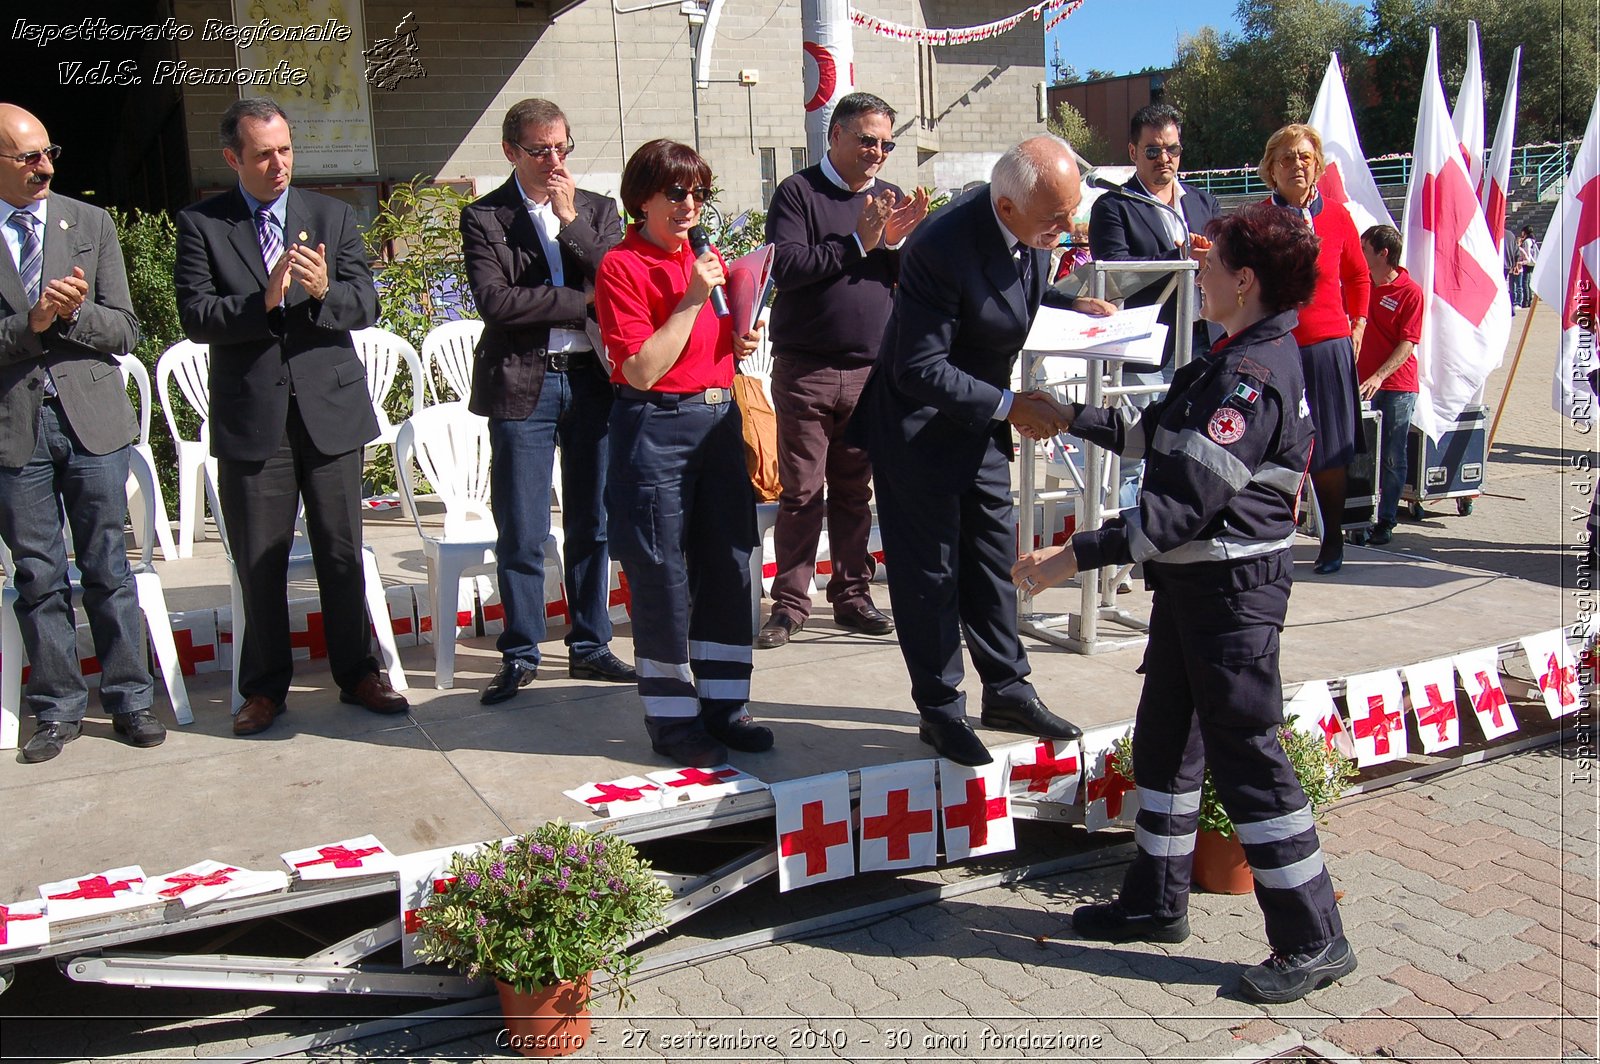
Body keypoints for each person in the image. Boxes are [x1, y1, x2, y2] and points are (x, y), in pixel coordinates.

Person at [1012, 202, 1356, 1005]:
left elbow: (1177, 508)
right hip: (1196, 589)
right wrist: (1068, 415)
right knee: (1167, 745)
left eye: (1210, 265)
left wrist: (1068, 558)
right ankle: (1155, 902)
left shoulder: (1253, 376)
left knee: (1249, 763)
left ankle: (1314, 936)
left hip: (1231, 597)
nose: (1196, 273)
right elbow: (1155, 430)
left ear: (1245, 280)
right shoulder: (1232, 356)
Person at [850, 136, 1112, 767]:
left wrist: (1069, 303)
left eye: (1070, 212)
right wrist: (1010, 406)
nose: (1066, 228)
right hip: (918, 432)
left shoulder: (1036, 233)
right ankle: (941, 709)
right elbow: (917, 367)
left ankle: (1008, 689)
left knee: (992, 562)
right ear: (1004, 207)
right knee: (931, 577)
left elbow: (1007, 292)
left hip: (978, 428)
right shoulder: (940, 247)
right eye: (1055, 218)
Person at [175, 98, 408, 736]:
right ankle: (264, 690)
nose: (278, 165)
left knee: (341, 550)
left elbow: (366, 304)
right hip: (254, 417)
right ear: (233, 159)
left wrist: (325, 291)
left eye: (285, 151)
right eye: (262, 155)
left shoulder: (330, 215)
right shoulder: (203, 224)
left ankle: (359, 672)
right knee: (260, 559)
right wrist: (266, 299)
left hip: (329, 409)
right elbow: (195, 316)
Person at [594, 139, 766, 768]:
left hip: (717, 418)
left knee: (727, 563)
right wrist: (693, 298)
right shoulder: (622, 265)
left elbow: (705, 344)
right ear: (641, 199)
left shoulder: (706, 257)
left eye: (698, 192)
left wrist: (737, 338)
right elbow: (640, 368)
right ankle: (672, 719)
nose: (689, 204)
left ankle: (725, 703)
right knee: (663, 574)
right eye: (676, 193)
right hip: (657, 425)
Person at [0, 103, 162, 763]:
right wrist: (31, 323)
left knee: (108, 566)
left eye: (48, 153)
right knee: (38, 574)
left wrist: (71, 318)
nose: (44, 167)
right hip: (16, 427)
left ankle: (130, 700)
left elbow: (125, 328)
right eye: (27, 157)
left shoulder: (89, 222)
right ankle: (59, 712)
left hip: (92, 423)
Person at [461, 99, 635, 703]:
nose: (555, 160)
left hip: (590, 377)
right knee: (524, 524)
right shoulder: (486, 217)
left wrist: (571, 227)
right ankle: (521, 650)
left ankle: (590, 643)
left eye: (563, 146)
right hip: (522, 380)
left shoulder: (595, 209)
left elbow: (620, 282)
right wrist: (580, 303)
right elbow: (497, 303)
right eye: (540, 150)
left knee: (593, 519)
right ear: (511, 152)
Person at [755, 91, 929, 650]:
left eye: (886, 143)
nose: (878, 152)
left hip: (871, 371)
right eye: (867, 140)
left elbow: (907, 278)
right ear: (835, 137)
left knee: (856, 492)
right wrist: (860, 241)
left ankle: (852, 596)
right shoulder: (799, 193)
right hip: (807, 370)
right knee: (803, 492)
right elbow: (787, 265)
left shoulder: (890, 198)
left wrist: (902, 245)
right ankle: (789, 604)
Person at [1260, 123, 1370, 575]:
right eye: (1286, 158)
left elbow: (1360, 276)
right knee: (1275, 451)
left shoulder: (1340, 217)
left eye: (1304, 157)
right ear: (1271, 169)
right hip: (1278, 346)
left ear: (1317, 164)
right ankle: (1273, 540)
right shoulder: (1259, 220)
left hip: (1328, 347)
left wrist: (1359, 324)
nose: (1296, 165)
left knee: (1330, 451)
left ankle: (1333, 540)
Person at [1088, 103, 1220, 381]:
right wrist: (1181, 257)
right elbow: (1115, 271)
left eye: (1172, 149)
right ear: (1133, 152)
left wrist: (1213, 257)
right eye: (1153, 151)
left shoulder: (1204, 203)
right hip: (1149, 348)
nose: (1164, 158)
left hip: (1209, 340)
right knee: (1149, 426)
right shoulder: (1113, 206)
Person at [1356, 224, 1423, 547]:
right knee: (1360, 452)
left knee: (1392, 456)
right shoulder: (1361, 284)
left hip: (1396, 386)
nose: (1360, 255)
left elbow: (1408, 342)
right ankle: (1357, 514)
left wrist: (1380, 376)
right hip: (1359, 383)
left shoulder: (1410, 292)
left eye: (1365, 249)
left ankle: (1385, 520)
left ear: (1383, 254)